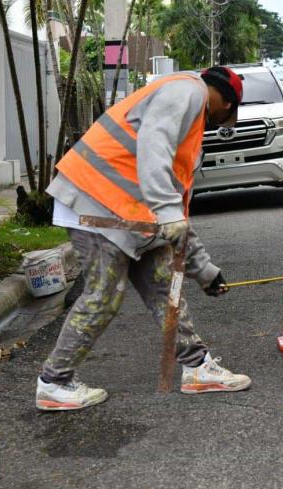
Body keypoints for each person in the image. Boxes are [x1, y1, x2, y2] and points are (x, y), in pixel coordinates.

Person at [36, 67, 251, 411]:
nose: (222, 123)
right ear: (226, 101)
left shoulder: (188, 116)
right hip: (95, 202)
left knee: (167, 289)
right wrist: (167, 213)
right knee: (103, 296)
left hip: (132, 213)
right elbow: (154, 147)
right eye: (229, 116)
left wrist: (206, 271)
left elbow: (177, 213)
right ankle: (54, 382)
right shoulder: (188, 92)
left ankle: (197, 366)